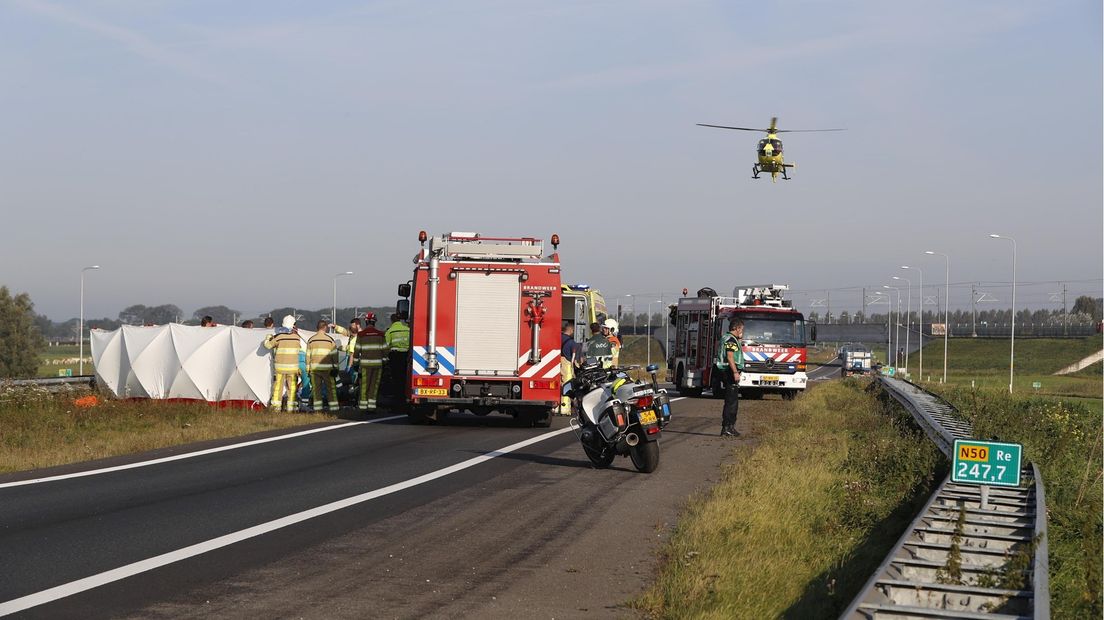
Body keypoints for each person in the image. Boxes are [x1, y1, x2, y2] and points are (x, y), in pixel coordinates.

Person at [264, 315, 304, 412]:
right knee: (292, 389)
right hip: (293, 368)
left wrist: (268, 337)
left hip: (280, 368)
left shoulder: (279, 337)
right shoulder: (297, 338)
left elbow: (267, 346)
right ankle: (292, 409)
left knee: (278, 388)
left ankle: (276, 408)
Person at [716, 318, 745, 437]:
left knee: (732, 400)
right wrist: (735, 372)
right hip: (729, 371)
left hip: (727, 371)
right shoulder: (730, 340)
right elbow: (730, 357)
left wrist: (739, 338)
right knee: (731, 402)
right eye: (741, 329)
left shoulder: (728, 338)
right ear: (737, 328)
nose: (742, 331)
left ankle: (730, 426)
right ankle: (727, 427)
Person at [354, 312, 387, 412]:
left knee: (364, 386)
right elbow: (385, 351)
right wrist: (384, 362)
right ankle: (371, 408)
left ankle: (363, 408)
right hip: (378, 366)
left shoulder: (361, 335)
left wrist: (355, 364)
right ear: (374, 322)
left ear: (366, 322)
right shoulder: (381, 334)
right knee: (374, 386)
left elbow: (356, 351)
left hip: (365, 366)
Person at [307, 320, 340, 412]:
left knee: (316, 389)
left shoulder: (311, 340)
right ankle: (334, 408)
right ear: (325, 327)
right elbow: (335, 355)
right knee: (331, 389)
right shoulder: (330, 340)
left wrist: (308, 369)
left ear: (317, 328)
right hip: (328, 369)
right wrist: (336, 368)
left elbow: (307, 356)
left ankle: (318, 409)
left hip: (314, 369)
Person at [384, 313, 410, 401]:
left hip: (395, 357)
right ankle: (405, 395)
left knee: (396, 378)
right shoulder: (407, 330)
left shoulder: (390, 331)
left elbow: (386, 346)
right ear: (400, 320)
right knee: (404, 377)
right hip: (406, 356)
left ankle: (398, 398)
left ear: (392, 321)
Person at [559, 321, 580, 414]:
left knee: (557, 385)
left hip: (554, 364)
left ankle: (554, 408)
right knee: (567, 387)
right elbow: (575, 359)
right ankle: (565, 409)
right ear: (571, 330)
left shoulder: (557, 338)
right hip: (566, 365)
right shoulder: (572, 343)